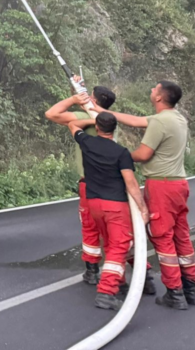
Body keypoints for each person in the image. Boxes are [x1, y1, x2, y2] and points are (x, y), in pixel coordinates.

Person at [92, 80, 195, 310]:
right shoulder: (177, 118)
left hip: (161, 186)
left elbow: (143, 154)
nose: (151, 90)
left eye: (154, 89)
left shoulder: (160, 122)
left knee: (162, 237)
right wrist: (102, 111)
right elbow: (135, 120)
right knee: (181, 236)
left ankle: (174, 293)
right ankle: (191, 288)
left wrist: (116, 157)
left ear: (160, 97)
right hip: (179, 184)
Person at [44, 78, 134, 289]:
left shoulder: (86, 118)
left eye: (89, 95)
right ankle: (133, 274)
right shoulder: (108, 120)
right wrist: (76, 89)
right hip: (113, 186)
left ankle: (93, 271)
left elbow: (52, 113)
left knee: (91, 227)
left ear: (92, 100)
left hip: (90, 185)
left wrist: (73, 98)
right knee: (117, 232)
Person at [64, 111, 150, 310]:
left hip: (94, 203)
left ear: (97, 127)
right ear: (115, 129)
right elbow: (131, 184)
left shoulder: (87, 142)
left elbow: (73, 124)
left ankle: (119, 283)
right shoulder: (121, 153)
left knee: (110, 243)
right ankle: (106, 291)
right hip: (115, 205)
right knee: (120, 244)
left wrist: (91, 120)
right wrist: (142, 208)